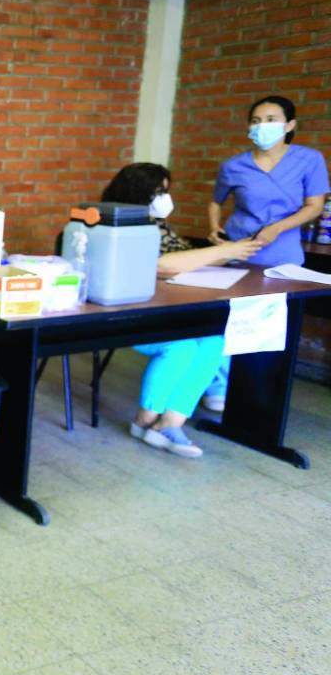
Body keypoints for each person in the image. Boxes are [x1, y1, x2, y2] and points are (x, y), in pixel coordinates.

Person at [101, 163, 263, 458]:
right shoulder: (118, 224)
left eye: (166, 191)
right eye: (159, 191)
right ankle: (144, 421)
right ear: (137, 192)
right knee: (181, 347)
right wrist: (223, 252)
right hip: (125, 314)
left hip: (165, 309)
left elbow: (185, 257)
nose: (165, 198)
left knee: (214, 341)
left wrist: (223, 250)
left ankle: (171, 423)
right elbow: (161, 265)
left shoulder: (158, 223)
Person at [201, 95, 330, 412]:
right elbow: (216, 201)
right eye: (256, 121)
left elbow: (314, 206)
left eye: (271, 119)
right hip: (238, 250)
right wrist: (214, 228)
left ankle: (256, 388)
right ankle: (219, 385)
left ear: (289, 125)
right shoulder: (234, 165)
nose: (262, 127)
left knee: (267, 323)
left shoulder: (308, 160)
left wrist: (279, 228)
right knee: (229, 318)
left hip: (282, 253)